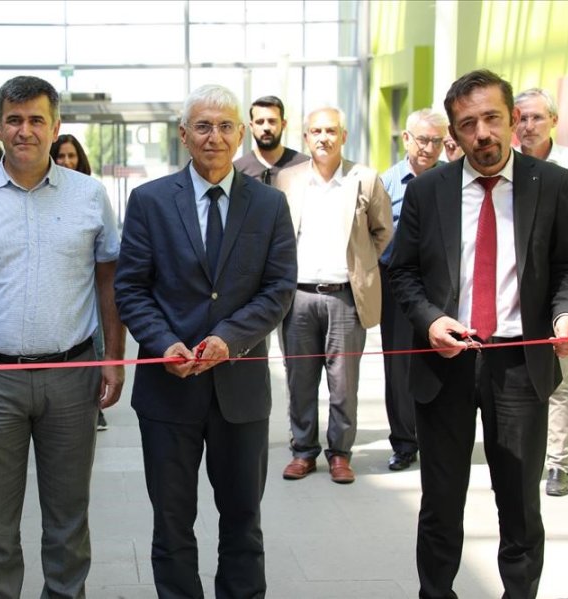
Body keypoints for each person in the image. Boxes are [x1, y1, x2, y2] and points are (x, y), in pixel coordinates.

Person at [389, 69, 568, 599]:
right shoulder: (429, 191)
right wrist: (431, 320)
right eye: (468, 124)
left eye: (493, 118)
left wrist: (566, 316)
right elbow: (400, 271)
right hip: (445, 361)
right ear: (453, 133)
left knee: (520, 503)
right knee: (440, 502)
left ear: (514, 120)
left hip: (520, 364)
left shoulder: (551, 184)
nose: (483, 133)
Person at [0, 75, 124, 597]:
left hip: (71, 374)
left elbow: (109, 279)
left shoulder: (89, 196)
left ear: (55, 126)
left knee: (68, 518)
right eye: (13, 120)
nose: (24, 131)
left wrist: (113, 357)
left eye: (36, 119)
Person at [114, 84, 297, 597]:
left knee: (243, 520)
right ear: (184, 135)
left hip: (239, 391)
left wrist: (228, 340)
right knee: (172, 524)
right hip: (167, 391)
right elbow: (130, 288)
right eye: (202, 126)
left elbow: (278, 289)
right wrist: (161, 343)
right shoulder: (149, 201)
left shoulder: (269, 205)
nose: (213, 137)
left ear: (240, 134)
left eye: (224, 126)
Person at [275, 106, 392, 484]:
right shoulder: (287, 179)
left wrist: (361, 265)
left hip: (345, 297)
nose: (323, 137)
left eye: (331, 131)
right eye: (315, 131)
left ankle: (340, 453)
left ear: (343, 136)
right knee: (300, 381)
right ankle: (303, 452)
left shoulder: (365, 179)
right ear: (305, 137)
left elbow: (382, 230)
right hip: (299, 299)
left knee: (344, 384)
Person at [514, 87, 568, 496]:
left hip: (561, 288)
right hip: (516, 291)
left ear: (554, 122)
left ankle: (558, 463)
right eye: (521, 118)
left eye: (537, 118)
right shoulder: (506, 166)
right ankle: (522, 456)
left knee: (558, 376)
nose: (528, 126)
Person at [379, 108, 449, 471]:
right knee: (399, 366)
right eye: (422, 139)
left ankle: (438, 436)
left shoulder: (453, 179)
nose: (429, 147)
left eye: (437, 141)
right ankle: (404, 443)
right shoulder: (386, 183)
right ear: (406, 139)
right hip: (397, 285)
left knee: (445, 360)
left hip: (444, 284)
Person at [50, 132, 111, 431]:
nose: (66, 161)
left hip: (88, 294)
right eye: (60, 156)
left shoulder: (92, 194)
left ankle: (95, 404)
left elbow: (109, 262)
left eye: (71, 155)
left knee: (95, 345)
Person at [234, 95, 309, 185]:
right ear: (251, 126)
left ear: (283, 124)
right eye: (260, 122)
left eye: (272, 121)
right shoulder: (237, 171)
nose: (266, 127)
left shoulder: (305, 165)